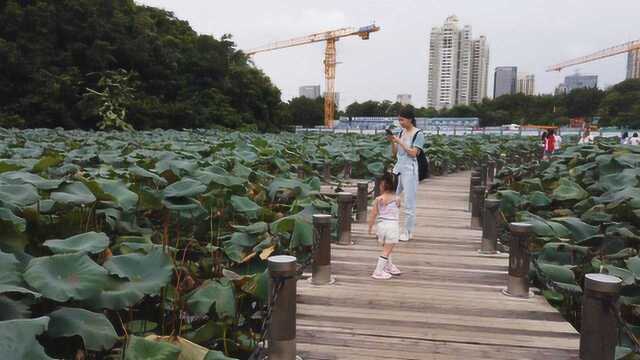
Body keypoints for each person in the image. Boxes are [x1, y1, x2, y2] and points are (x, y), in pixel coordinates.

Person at [388, 106, 425, 242]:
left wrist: (400, 142)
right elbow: (395, 153)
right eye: (399, 120)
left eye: (402, 120)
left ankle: (408, 232)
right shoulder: (400, 132)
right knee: (393, 200)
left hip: (411, 170)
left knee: (409, 202)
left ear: (410, 119)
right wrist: (393, 142)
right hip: (399, 169)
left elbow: (414, 153)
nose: (400, 123)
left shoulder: (418, 134)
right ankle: (392, 229)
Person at [368, 173, 402, 280]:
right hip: (392, 227)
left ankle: (388, 266)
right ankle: (378, 271)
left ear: (382, 186)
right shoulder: (397, 199)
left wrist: (370, 227)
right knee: (387, 250)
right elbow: (398, 207)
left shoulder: (378, 199)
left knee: (386, 248)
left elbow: (373, 214)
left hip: (381, 226)